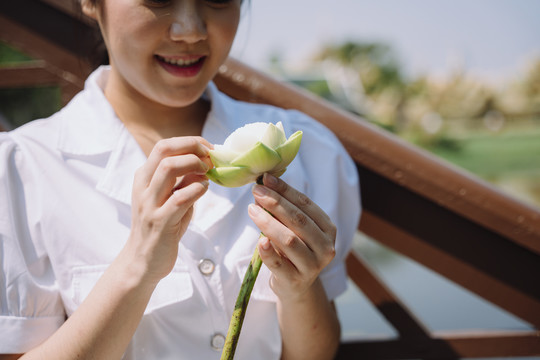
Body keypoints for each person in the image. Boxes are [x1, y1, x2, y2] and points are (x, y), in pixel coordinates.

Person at [0, 0, 360, 359]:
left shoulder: (306, 149)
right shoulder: (23, 170)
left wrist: (300, 289)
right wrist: (137, 267)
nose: (190, 30)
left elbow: (314, 352)